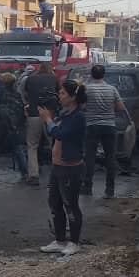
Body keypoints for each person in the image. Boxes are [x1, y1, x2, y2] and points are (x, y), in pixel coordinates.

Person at [38, 79, 87, 256]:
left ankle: (74, 242)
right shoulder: (66, 114)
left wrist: (48, 120)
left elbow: (60, 134)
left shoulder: (78, 117)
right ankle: (59, 240)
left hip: (70, 168)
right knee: (55, 203)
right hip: (58, 166)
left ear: (73, 97)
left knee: (70, 205)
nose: (59, 96)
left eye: (63, 93)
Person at [81, 64, 129, 198]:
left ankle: (87, 186)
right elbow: (120, 107)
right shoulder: (112, 89)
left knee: (89, 157)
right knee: (110, 158)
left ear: (91, 75)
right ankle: (109, 190)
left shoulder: (87, 89)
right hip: (109, 126)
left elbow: (83, 106)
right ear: (104, 75)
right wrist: (108, 107)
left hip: (92, 126)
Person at [23, 63, 60, 186]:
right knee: (54, 145)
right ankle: (55, 176)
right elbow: (60, 94)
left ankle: (33, 175)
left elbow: (25, 94)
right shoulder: (54, 79)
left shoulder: (30, 79)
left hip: (34, 113)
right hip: (50, 115)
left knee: (32, 145)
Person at [0, 73, 29, 181]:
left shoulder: (1, 94)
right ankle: (24, 173)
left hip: (3, 125)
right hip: (15, 126)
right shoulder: (16, 94)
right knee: (18, 149)